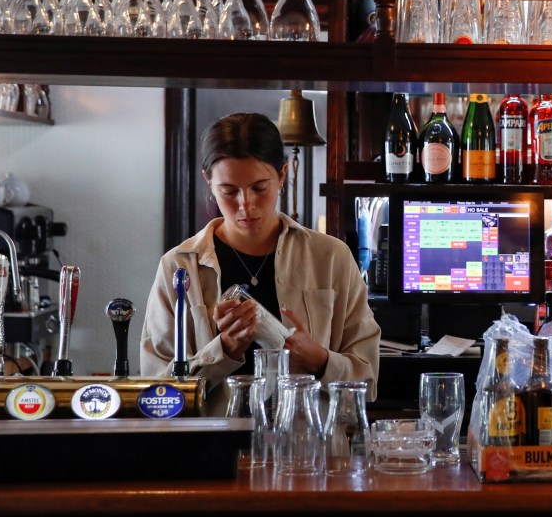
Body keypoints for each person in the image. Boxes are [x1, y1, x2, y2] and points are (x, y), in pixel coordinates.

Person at [140, 112, 380, 413]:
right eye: (228, 191)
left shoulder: (331, 258)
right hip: (210, 452)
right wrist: (223, 350)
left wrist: (319, 360)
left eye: (259, 188)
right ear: (208, 181)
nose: (246, 205)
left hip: (307, 451)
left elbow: (368, 381)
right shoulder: (178, 268)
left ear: (282, 175)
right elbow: (156, 395)